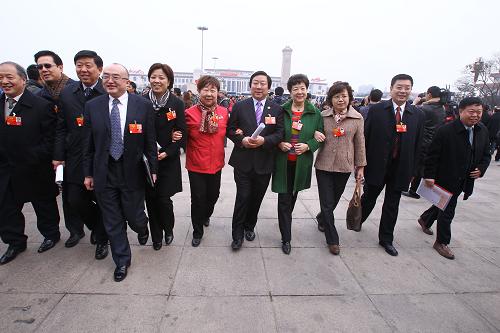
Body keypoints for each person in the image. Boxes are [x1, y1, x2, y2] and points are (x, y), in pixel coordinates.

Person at [82, 63, 157, 282]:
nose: (110, 81)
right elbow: (88, 145)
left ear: (127, 81)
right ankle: (122, 260)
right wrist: (88, 173)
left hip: (132, 171)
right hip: (104, 172)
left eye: (116, 77)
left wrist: (153, 169)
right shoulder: (93, 106)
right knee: (112, 220)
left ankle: (142, 229)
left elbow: (150, 142)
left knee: (135, 217)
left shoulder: (142, 105)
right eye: (106, 76)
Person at [0, 62, 59, 264]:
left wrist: (33, 156)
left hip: (34, 166)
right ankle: (15, 241)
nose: (5, 82)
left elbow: (51, 138)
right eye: (1, 78)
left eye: (9, 77)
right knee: (6, 207)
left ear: (23, 80)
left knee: (43, 203)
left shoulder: (42, 105)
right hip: (6, 167)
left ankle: (51, 234)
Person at [418, 97, 491, 259]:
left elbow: (486, 154)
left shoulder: (482, 130)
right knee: (448, 210)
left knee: (443, 204)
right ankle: (442, 242)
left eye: (479, 112)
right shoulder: (446, 131)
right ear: (460, 111)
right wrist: (429, 175)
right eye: (471, 111)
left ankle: (424, 219)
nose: (475, 115)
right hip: (446, 177)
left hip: (465, 178)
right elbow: (432, 155)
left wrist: (481, 169)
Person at [53, 50, 109, 259]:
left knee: (104, 201)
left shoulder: (108, 91)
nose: (83, 70)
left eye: (88, 65)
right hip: (76, 157)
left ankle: (103, 239)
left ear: (99, 69)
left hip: (102, 157)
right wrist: (58, 155)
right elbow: (61, 127)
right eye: (79, 65)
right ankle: (97, 226)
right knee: (75, 199)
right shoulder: (68, 93)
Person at [360, 74, 424, 256]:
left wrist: (414, 170)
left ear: (411, 90)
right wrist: (361, 164)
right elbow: (365, 137)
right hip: (377, 164)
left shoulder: (417, 114)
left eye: (407, 88)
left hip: (401, 167)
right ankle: (357, 220)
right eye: (399, 87)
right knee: (369, 197)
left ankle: (386, 239)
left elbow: (419, 144)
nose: (403, 91)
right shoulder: (377, 110)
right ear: (391, 88)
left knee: (392, 204)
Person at [226, 71, 284, 250]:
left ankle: (249, 226)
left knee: (257, 198)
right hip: (243, 161)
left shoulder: (276, 109)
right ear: (250, 85)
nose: (259, 87)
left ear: (268, 87)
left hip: (264, 162)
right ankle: (237, 234)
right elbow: (230, 129)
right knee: (243, 197)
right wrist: (241, 140)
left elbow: (280, 133)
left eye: (263, 84)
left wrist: (264, 141)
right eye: (255, 83)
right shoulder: (239, 106)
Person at [272, 74, 323, 254]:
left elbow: (321, 137)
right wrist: (279, 143)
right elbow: (273, 132)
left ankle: (285, 219)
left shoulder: (315, 113)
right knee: (284, 199)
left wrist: (309, 145)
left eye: (302, 88)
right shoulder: (281, 110)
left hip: (301, 164)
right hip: (283, 162)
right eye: (295, 89)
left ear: (307, 90)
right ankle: (286, 238)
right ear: (290, 91)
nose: (299, 92)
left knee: (292, 196)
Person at [314, 82, 366, 255]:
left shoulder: (357, 118)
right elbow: (312, 132)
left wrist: (360, 167)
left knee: (333, 200)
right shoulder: (322, 116)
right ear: (331, 99)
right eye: (336, 96)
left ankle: (322, 218)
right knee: (327, 203)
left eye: (343, 96)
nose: (340, 99)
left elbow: (360, 144)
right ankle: (332, 239)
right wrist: (314, 133)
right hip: (324, 164)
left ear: (349, 97)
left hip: (344, 166)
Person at [183, 76, 229, 246]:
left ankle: (205, 215)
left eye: (213, 90)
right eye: (206, 90)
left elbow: (231, 132)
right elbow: (180, 135)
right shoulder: (188, 113)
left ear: (218, 92)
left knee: (213, 195)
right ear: (199, 91)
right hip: (196, 164)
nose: (209, 94)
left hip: (216, 163)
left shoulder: (224, 113)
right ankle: (197, 231)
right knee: (197, 198)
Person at [144, 63, 185, 251]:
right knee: (150, 200)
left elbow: (181, 133)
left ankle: (168, 228)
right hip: (146, 160)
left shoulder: (176, 103)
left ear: (169, 81)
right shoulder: (141, 101)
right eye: (153, 76)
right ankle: (156, 236)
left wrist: (168, 151)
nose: (157, 81)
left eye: (161, 77)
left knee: (163, 199)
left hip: (167, 159)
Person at [403, 86, 445, 200]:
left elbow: (408, 115)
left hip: (423, 141)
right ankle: (416, 189)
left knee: (417, 166)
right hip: (434, 141)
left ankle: (413, 190)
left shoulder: (426, 108)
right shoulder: (442, 108)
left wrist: (415, 103)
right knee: (424, 167)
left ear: (429, 94)